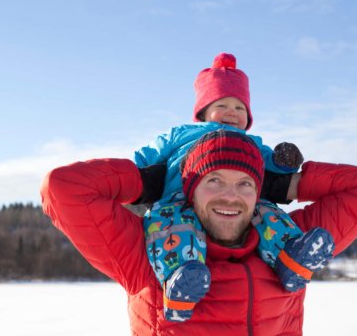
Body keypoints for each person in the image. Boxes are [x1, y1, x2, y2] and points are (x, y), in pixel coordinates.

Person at [40, 129, 357, 335]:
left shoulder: (291, 241)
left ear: (259, 193)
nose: (230, 195)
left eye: (245, 183)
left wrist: (289, 184)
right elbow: (63, 188)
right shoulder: (144, 251)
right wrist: (144, 180)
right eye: (214, 181)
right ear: (189, 190)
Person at [133, 53, 334, 321]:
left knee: (267, 213)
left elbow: (270, 165)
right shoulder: (181, 133)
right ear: (202, 111)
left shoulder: (250, 142)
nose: (232, 112)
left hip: (235, 202)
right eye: (223, 104)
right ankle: (180, 282)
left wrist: (283, 161)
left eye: (240, 108)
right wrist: (133, 173)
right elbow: (149, 155)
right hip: (178, 200)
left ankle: (290, 257)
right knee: (171, 228)